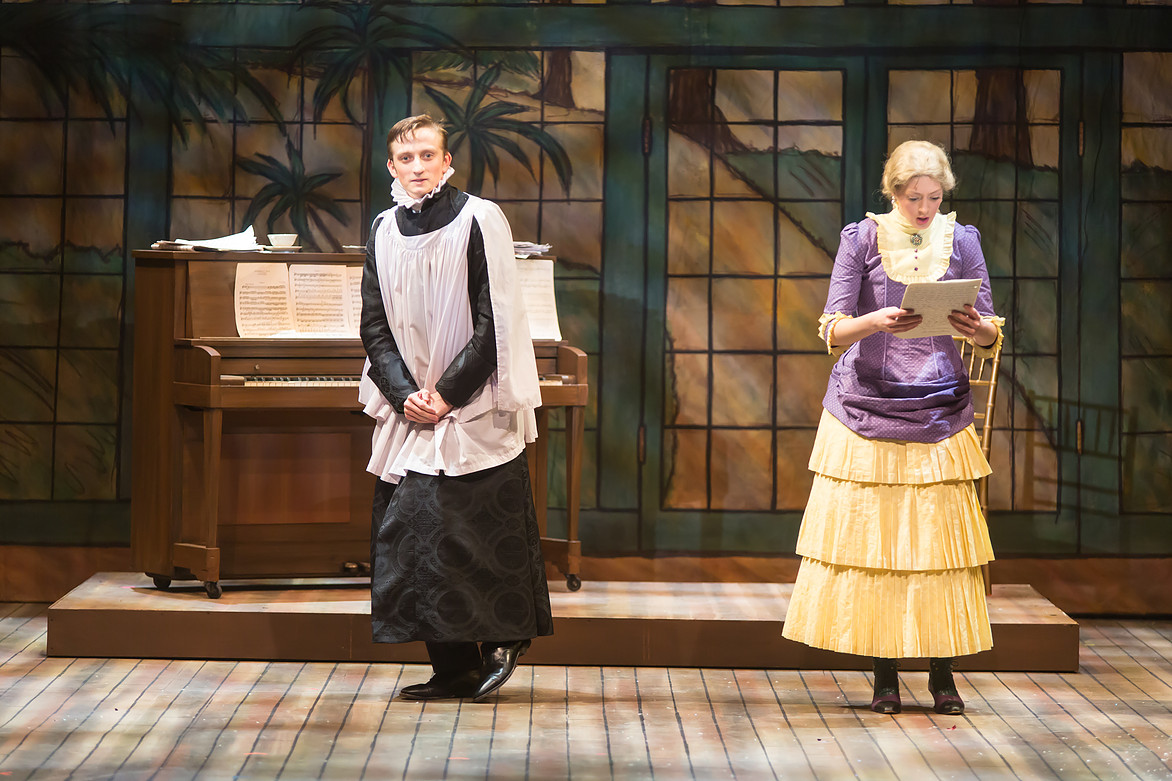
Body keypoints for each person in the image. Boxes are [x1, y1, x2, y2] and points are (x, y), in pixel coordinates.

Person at [781, 140, 1004, 715]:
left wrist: (976, 328)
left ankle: (943, 674)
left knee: (937, 547)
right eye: (913, 198)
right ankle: (884, 675)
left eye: (934, 197)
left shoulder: (963, 240)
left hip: (938, 406)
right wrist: (873, 321)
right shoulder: (862, 238)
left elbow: (989, 331)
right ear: (894, 192)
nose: (925, 208)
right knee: (876, 544)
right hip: (868, 405)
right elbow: (831, 328)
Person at [358, 114, 553, 701]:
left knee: (474, 530)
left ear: (446, 162)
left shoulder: (478, 218)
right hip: (412, 406)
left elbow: (497, 321)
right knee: (411, 537)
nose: (417, 167)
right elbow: (374, 325)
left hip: (471, 403)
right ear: (391, 167)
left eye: (427, 155)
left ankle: (505, 636)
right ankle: (454, 667)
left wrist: (445, 395)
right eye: (406, 158)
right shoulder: (383, 229)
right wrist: (405, 395)